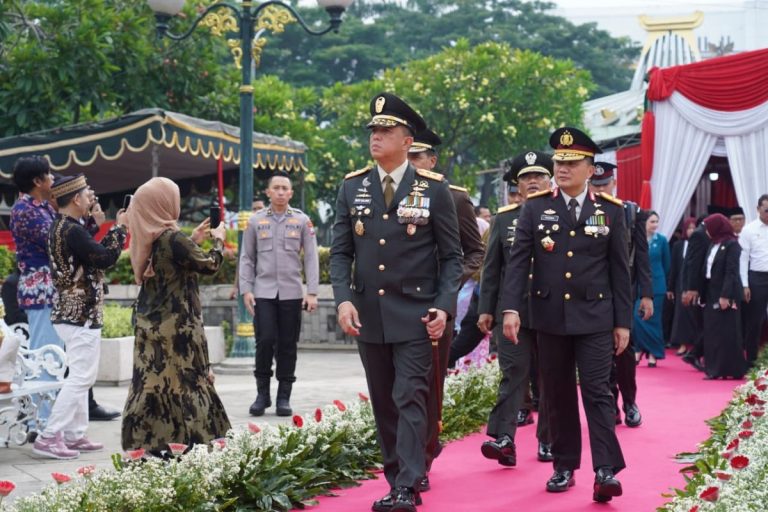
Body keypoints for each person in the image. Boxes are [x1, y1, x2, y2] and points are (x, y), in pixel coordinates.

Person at [330, 92, 462, 512]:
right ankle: (398, 475)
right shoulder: (353, 187)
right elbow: (340, 253)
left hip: (417, 314)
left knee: (410, 395)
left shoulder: (433, 189)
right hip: (369, 315)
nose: (376, 137)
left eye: (386, 130)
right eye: (373, 130)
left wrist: (444, 305)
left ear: (408, 140)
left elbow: (453, 256)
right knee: (384, 401)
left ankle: (406, 485)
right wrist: (342, 300)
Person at [500, 127, 631, 503]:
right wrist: (511, 308)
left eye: (572, 163)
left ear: (591, 169)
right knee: (556, 395)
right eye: (559, 161)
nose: (563, 168)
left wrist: (622, 322)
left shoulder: (610, 211)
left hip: (595, 317)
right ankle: (564, 465)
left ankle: (605, 469)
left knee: (597, 391)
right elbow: (518, 263)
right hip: (549, 316)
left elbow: (619, 271)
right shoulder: (536, 207)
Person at [122, 177, 231, 454]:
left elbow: (171, 265)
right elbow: (210, 265)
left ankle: (150, 442)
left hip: (151, 324)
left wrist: (192, 241)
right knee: (188, 381)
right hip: (179, 327)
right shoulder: (173, 238)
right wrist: (218, 242)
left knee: (154, 382)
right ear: (165, 204)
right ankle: (198, 440)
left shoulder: (154, 237)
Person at [407, 127, 484, 489]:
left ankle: (421, 455)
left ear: (432, 160)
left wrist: (448, 286)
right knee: (398, 388)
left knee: (428, 385)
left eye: (416, 156)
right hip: (394, 305)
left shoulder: (453, 198)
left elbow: (474, 250)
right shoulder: (382, 195)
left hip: (436, 307)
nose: (409, 163)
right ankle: (407, 453)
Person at [32, 175, 127, 459]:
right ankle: (50, 437)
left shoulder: (63, 227)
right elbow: (104, 258)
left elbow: (88, 251)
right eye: (87, 195)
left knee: (81, 376)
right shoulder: (70, 230)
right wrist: (120, 229)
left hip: (71, 313)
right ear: (75, 198)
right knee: (81, 377)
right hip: (79, 314)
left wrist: (100, 225)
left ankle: (74, 434)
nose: (91, 200)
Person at [477, 150, 553, 467]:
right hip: (512, 311)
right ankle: (505, 439)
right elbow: (492, 268)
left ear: (550, 179)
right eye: (526, 177)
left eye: (538, 175)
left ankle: (548, 438)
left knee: (550, 377)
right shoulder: (505, 218)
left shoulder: (561, 214)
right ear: (517, 185)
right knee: (513, 373)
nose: (532, 181)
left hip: (552, 311)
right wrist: (486, 309)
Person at [239, 172, 319, 417]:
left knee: (287, 345)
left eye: (285, 188)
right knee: (264, 341)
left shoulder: (302, 221)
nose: (281, 192)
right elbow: (247, 257)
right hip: (263, 292)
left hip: (292, 293)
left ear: (291, 194)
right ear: (268, 192)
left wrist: (312, 292)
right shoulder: (255, 221)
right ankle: (262, 395)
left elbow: (312, 257)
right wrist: (246, 289)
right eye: (277, 188)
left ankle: (284, 396)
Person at [588, 162, 652, 428]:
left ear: (614, 184)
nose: (601, 190)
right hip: (593, 294)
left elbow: (642, 257)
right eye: (597, 185)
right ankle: (610, 404)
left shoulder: (631, 213)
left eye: (605, 185)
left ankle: (630, 401)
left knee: (624, 352)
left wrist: (647, 295)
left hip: (623, 293)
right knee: (601, 354)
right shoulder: (584, 212)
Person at [9, 156, 62, 423]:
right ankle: (39, 421)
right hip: (40, 288)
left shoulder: (43, 207)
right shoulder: (25, 209)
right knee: (46, 354)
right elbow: (57, 240)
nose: (53, 179)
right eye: (49, 175)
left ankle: (44, 418)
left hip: (49, 287)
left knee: (53, 353)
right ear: (37, 181)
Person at [701, 213, 746, 379]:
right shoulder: (713, 244)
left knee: (728, 332)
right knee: (712, 332)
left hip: (726, 292)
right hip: (711, 291)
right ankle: (714, 368)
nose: (706, 231)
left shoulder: (732, 244)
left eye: (708, 228)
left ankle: (731, 369)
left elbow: (731, 272)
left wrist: (725, 295)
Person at [631, 211, 670, 367]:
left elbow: (667, 265)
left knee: (653, 320)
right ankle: (639, 349)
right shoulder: (636, 238)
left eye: (656, 222)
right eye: (652, 221)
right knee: (636, 318)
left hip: (657, 286)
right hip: (638, 285)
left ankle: (654, 352)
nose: (655, 225)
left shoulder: (662, 241)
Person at [739, 194, 768, 367]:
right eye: (766, 211)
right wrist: (744, 284)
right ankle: (751, 360)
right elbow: (743, 259)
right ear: (758, 210)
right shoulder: (749, 230)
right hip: (757, 277)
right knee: (755, 321)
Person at [681, 216, 711, 371]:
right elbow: (691, 265)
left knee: (706, 325)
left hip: (701, 288)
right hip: (697, 289)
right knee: (707, 325)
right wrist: (690, 289)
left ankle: (699, 354)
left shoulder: (706, 235)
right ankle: (694, 354)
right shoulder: (700, 235)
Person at [668, 218, 698, 356]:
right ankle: (682, 344)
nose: (692, 230)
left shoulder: (701, 243)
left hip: (696, 284)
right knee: (681, 315)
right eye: (689, 228)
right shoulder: (678, 245)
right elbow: (673, 267)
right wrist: (670, 287)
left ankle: (696, 344)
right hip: (681, 283)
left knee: (695, 314)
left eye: (694, 227)